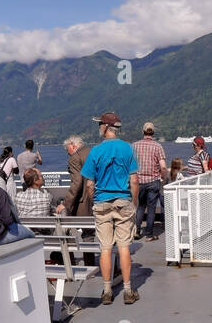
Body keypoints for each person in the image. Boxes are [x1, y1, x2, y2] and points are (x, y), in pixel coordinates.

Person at [82, 112, 139, 304]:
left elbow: (89, 184)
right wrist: (135, 202)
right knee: (124, 246)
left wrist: (94, 201)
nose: (98, 127)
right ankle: (128, 291)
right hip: (123, 201)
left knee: (105, 248)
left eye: (99, 124)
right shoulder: (127, 149)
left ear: (106, 128)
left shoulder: (95, 152)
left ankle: (106, 291)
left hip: (102, 203)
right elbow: (134, 180)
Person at [132, 122, 167, 240]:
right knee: (151, 208)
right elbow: (163, 166)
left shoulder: (135, 146)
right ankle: (149, 234)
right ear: (153, 132)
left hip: (139, 181)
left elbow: (129, 164)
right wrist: (162, 177)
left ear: (143, 132)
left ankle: (136, 231)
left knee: (140, 206)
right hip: (153, 181)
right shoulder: (158, 146)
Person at [62, 135, 93, 216]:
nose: (68, 153)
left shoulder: (75, 158)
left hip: (84, 202)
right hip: (97, 198)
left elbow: (77, 182)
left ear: (73, 146)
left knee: (85, 226)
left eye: (67, 149)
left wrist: (65, 204)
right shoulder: (93, 152)